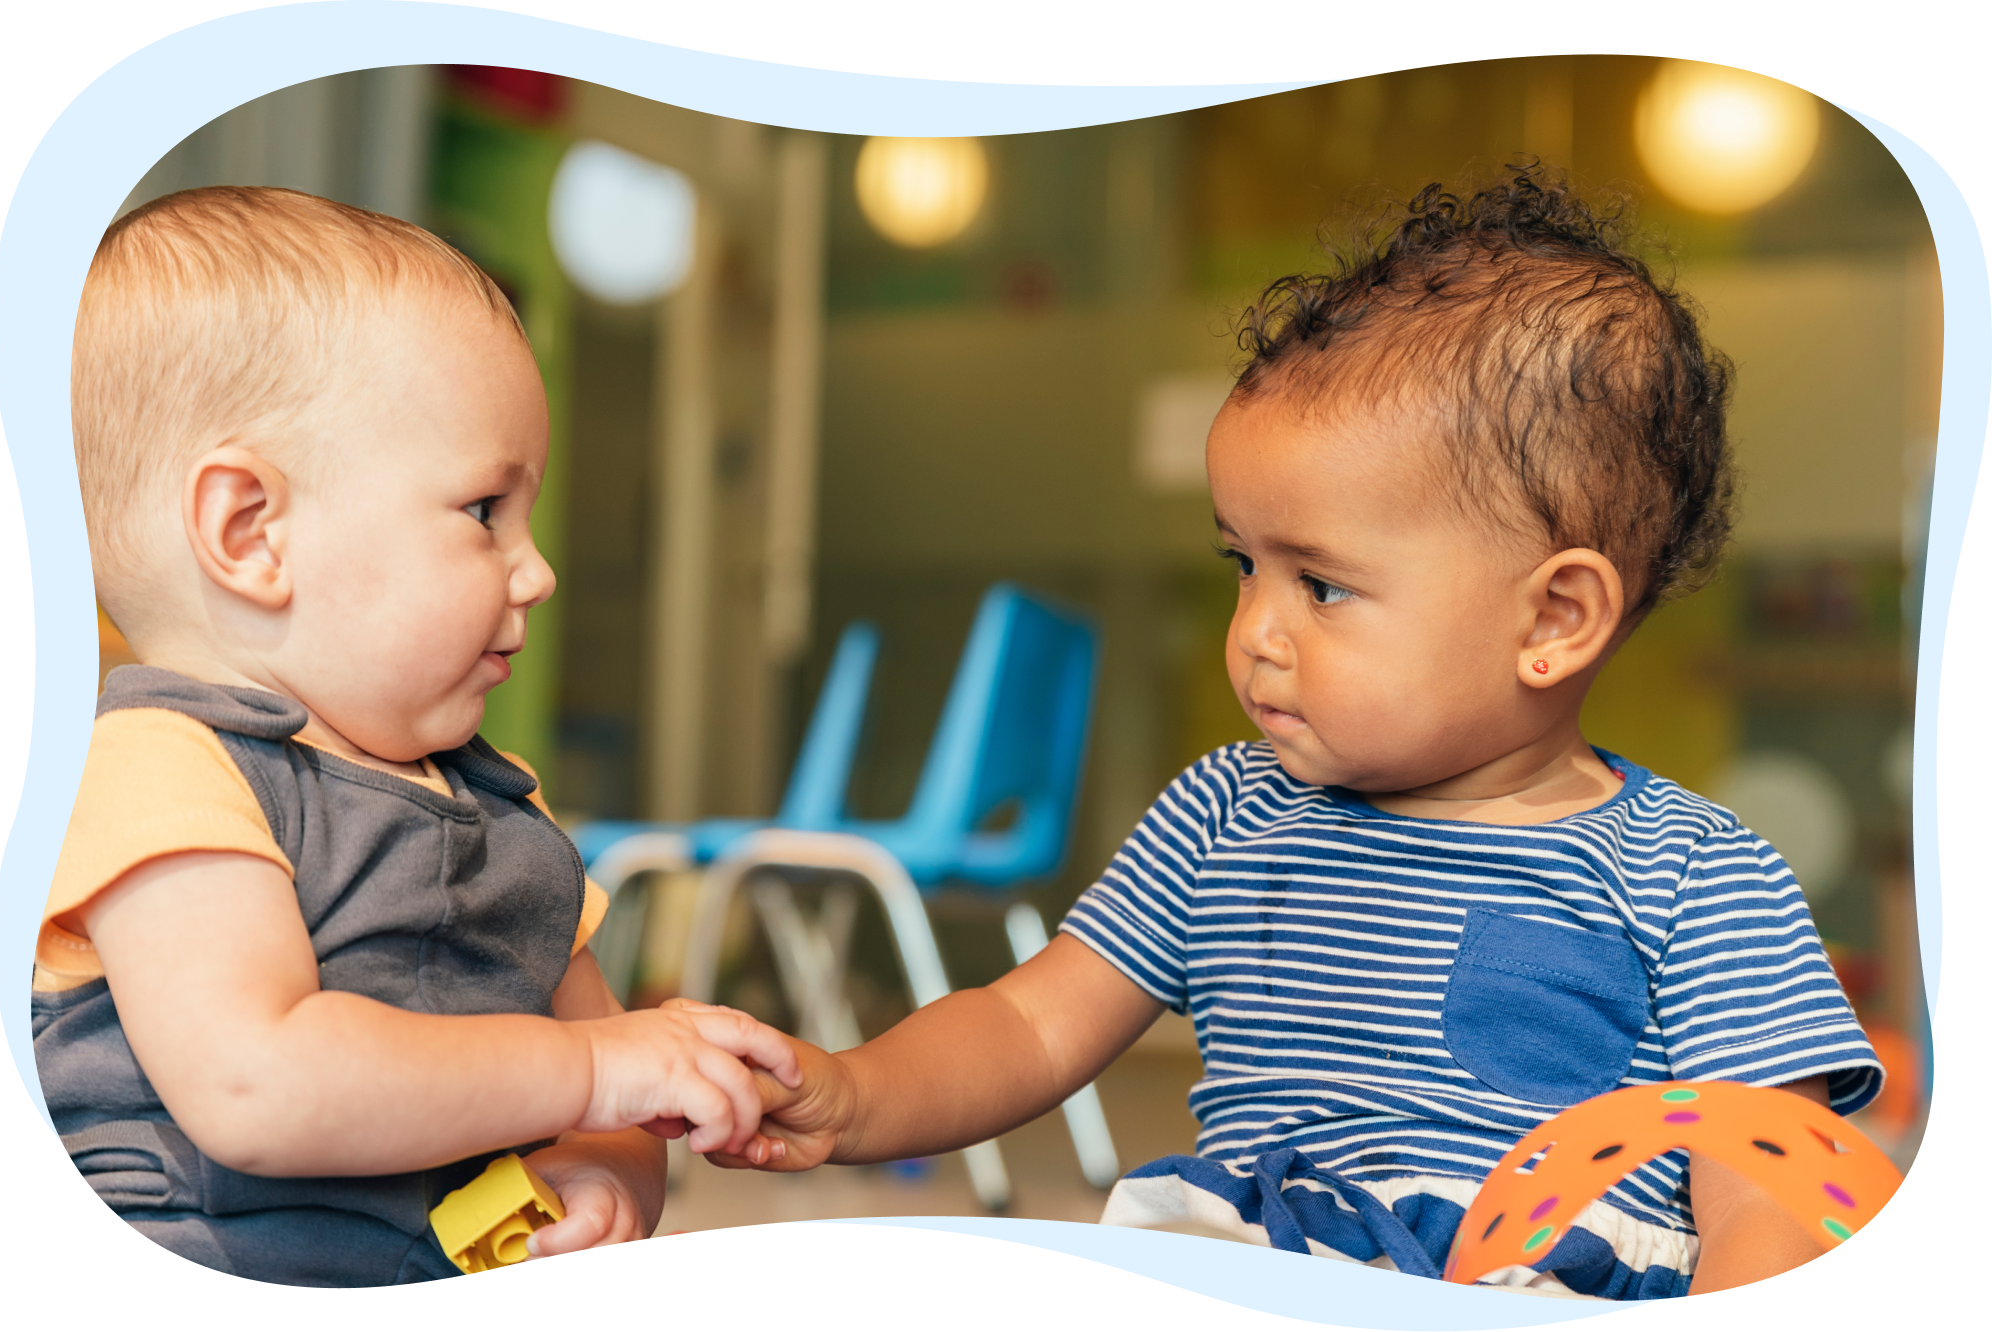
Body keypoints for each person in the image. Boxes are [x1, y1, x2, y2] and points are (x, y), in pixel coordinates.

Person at [704, 167, 1882, 1300]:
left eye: (1318, 585)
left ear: (1552, 618)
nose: (1254, 632)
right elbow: (1026, 1023)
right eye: (1240, 565)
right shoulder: (1224, 811)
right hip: (1253, 1254)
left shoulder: (1694, 872)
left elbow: (1760, 1179)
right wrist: (855, 1093)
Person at [36, 187, 796, 1286]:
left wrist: (604, 1171)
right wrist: (585, 1072)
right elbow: (259, 1084)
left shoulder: (505, 811)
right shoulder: (162, 767)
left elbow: (613, 1095)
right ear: (250, 532)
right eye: (485, 511)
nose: (535, 571)